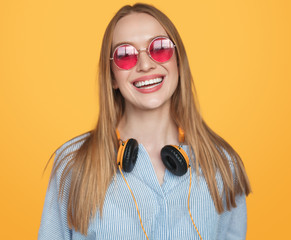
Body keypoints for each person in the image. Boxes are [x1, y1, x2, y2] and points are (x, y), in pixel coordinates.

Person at [38, 3, 251, 240]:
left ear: (179, 63)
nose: (145, 64)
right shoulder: (72, 164)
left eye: (159, 48)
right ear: (112, 77)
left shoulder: (223, 165)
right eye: (125, 55)